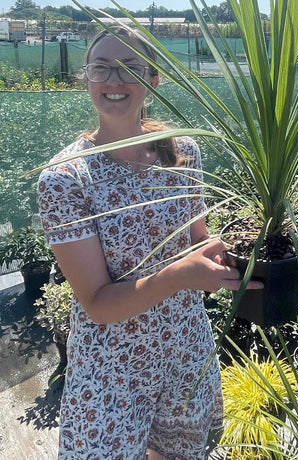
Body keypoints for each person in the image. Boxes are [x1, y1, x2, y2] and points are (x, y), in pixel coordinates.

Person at [37, 25, 260, 460]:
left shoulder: (184, 153)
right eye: (100, 68)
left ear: (154, 79)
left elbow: (198, 238)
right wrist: (183, 275)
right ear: (86, 78)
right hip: (112, 368)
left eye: (128, 68)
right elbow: (98, 304)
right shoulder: (66, 180)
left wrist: (253, 245)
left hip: (184, 348)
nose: (113, 80)